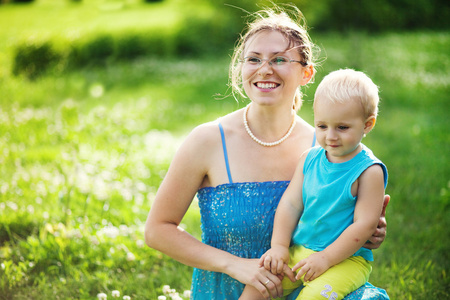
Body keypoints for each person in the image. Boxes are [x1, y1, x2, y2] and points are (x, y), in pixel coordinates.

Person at [145, 5, 390, 300]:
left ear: (306, 73)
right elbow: (157, 230)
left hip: (314, 282)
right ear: (241, 68)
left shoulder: (329, 145)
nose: (265, 68)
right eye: (254, 59)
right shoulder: (208, 140)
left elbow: (344, 218)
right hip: (230, 289)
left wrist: (365, 230)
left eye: (279, 59)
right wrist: (235, 265)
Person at [240, 69, 388, 300]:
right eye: (322, 126)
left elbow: (365, 225)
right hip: (302, 248)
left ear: (368, 125)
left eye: (342, 127)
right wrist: (279, 246)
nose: (330, 136)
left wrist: (325, 259)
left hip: (347, 259)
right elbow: (290, 204)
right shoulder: (309, 159)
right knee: (261, 284)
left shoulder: (368, 170)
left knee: (313, 296)